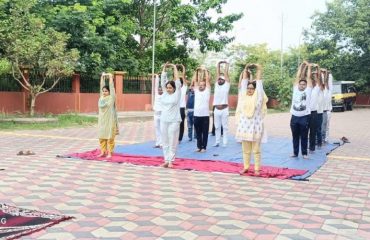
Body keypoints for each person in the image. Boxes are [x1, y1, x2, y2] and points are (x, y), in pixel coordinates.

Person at [236, 64, 268, 176]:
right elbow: (244, 82)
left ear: (255, 90)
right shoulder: (243, 97)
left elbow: (259, 84)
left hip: (255, 127)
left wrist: (259, 69)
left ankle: (257, 169)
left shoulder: (258, 97)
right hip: (244, 127)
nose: (249, 90)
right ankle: (246, 167)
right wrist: (245, 69)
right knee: (246, 150)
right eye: (248, 88)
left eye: (252, 88)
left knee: (256, 150)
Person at [159, 63, 182, 168]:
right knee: (165, 141)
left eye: (170, 88)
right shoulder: (164, 93)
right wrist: (164, 67)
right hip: (164, 120)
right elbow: (163, 79)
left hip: (174, 121)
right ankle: (166, 160)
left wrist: (174, 67)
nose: (168, 89)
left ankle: (171, 161)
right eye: (167, 87)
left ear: (174, 88)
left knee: (172, 140)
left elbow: (177, 81)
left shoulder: (177, 94)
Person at [290, 61, 313, 159]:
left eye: (304, 84)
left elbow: (308, 78)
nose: (302, 85)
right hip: (294, 117)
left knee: (304, 136)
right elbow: (298, 76)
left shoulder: (308, 91)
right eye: (301, 84)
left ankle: (304, 153)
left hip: (304, 117)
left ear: (306, 86)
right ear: (298, 85)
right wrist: (301, 66)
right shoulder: (295, 89)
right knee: (295, 136)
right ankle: (295, 153)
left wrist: (309, 67)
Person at [98, 73, 118, 158]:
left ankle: (110, 152)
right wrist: (102, 77)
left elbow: (112, 88)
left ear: (109, 92)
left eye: (106, 91)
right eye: (103, 91)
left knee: (110, 137)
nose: (104, 92)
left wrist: (110, 78)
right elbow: (101, 86)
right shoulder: (101, 97)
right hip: (102, 120)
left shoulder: (111, 97)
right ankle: (103, 152)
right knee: (102, 137)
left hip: (110, 120)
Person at [212, 61, 231, 147]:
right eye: (219, 79)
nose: (219, 80)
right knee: (217, 127)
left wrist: (226, 65)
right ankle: (217, 142)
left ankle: (225, 142)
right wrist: (218, 64)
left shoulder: (226, 85)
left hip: (224, 110)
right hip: (216, 110)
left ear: (224, 80)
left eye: (221, 79)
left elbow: (226, 75)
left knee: (225, 127)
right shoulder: (216, 85)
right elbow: (217, 73)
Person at [193, 67, 211, 153]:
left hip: (205, 116)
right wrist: (197, 71)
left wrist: (204, 70)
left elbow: (207, 80)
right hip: (196, 115)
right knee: (198, 132)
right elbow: (195, 80)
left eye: (203, 85)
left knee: (205, 132)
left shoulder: (207, 91)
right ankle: (199, 146)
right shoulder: (196, 90)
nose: (201, 86)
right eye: (200, 85)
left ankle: (204, 147)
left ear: (205, 86)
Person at [308, 64, 320, 153]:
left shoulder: (317, 88)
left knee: (313, 131)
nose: (312, 82)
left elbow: (318, 79)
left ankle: (312, 148)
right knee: (304, 131)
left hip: (314, 113)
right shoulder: (306, 89)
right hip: (306, 113)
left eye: (313, 81)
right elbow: (308, 78)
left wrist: (317, 68)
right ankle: (305, 147)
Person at [177, 64, 188, 143]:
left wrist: (182, 67)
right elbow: (175, 78)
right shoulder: (175, 89)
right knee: (175, 124)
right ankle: (175, 137)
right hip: (175, 108)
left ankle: (180, 139)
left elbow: (183, 77)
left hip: (181, 108)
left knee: (181, 124)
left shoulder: (184, 88)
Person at [322, 70, 333, 143]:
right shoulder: (320, 90)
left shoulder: (329, 91)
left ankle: (325, 139)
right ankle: (320, 139)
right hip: (319, 111)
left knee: (326, 127)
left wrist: (327, 73)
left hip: (327, 111)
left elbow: (329, 81)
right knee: (320, 127)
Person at [153, 73, 163, 148]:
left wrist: (163, 75)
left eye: (161, 89)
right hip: (156, 114)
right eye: (159, 89)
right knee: (157, 129)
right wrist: (157, 77)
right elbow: (156, 86)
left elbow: (164, 83)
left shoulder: (165, 95)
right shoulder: (156, 94)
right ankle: (157, 143)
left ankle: (162, 143)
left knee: (162, 129)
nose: (160, 90)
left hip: (162, 114)